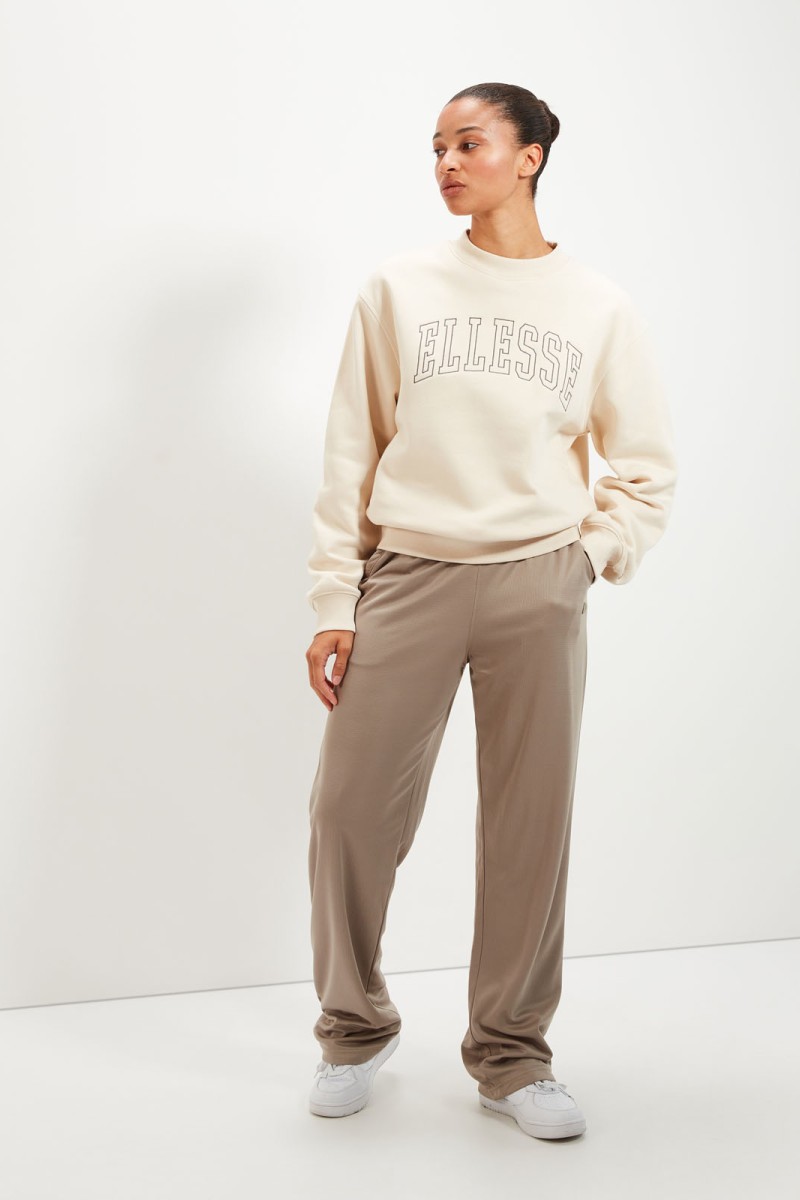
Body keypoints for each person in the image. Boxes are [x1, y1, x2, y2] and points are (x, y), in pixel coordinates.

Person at [303, 81, 679, 1141]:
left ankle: (512, 1054)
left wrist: (585, 562)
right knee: (348, 813)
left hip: (536, 584)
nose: (447, 164)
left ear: (531, 157)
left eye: (469, 143)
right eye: (436, 147)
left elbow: (645, 468)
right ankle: (352, 1028)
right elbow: (351, 451)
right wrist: (336, 597)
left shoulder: (597, 306)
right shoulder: (398, 289)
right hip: (407, 576)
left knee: (528, 826)